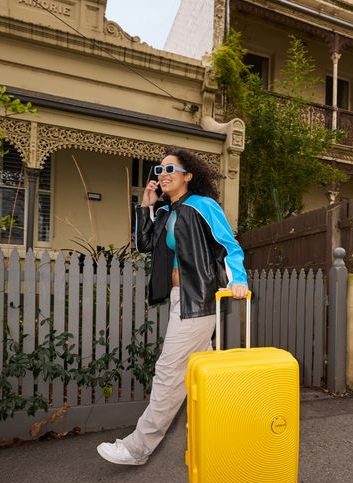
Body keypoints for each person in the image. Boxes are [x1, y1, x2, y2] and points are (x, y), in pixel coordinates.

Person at [97, 147, 249, 465]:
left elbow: (228, 244)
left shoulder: (202, 206)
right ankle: (233, 435)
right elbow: (144, 243)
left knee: (169, 372)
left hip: (198, 300)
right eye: (159, 170)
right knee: (201, 375)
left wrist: (239, 280)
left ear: (188, 175)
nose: (162, 175)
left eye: (170, 169)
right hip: (181, 300)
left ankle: (137, 448)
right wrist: (146, 205)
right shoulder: (169, 212)